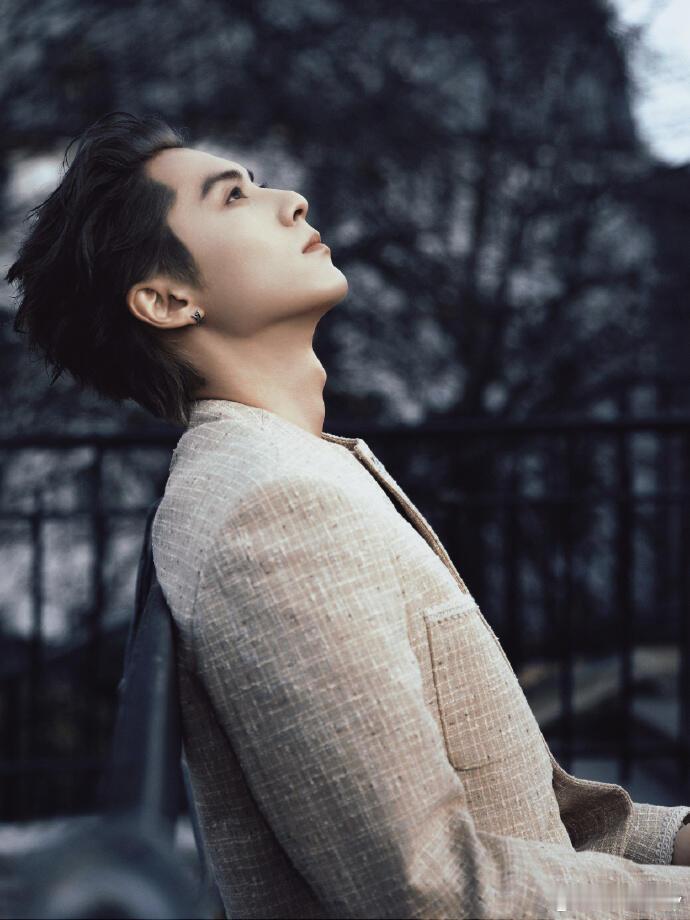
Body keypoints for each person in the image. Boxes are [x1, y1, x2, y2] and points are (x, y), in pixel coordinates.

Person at [6, 111, 690, 919]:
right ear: (167, 299)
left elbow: (542, 821)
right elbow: (429, 890)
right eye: (233, 197)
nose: (291, 200)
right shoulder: (271, 511)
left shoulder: (296, 467)